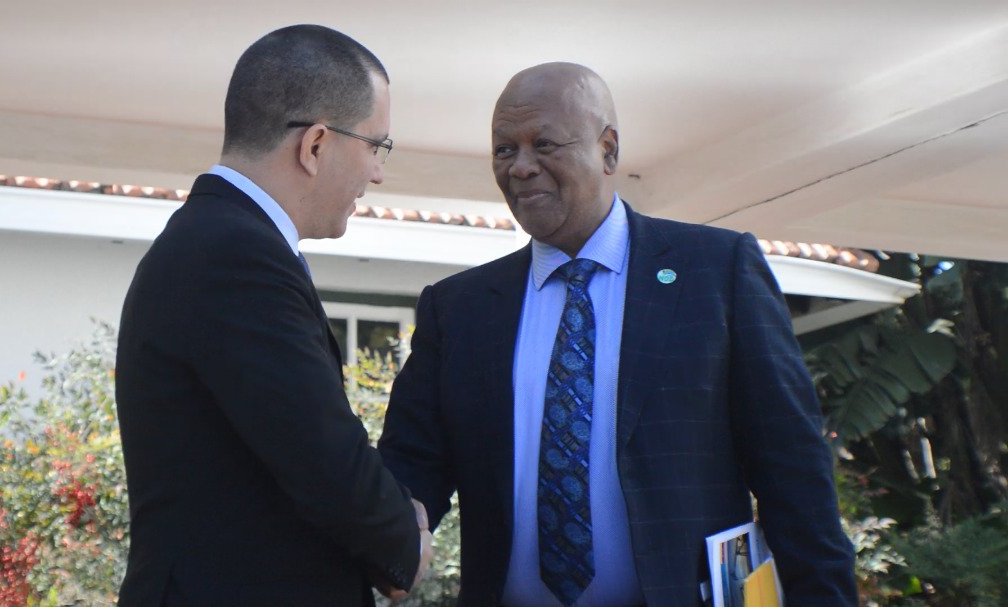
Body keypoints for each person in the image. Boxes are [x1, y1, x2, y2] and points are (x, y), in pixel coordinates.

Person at [378, 62, 857, 606]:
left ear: (607, 150)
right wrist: (387, 538)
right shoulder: (458, 308)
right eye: (504, 149)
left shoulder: (715, 271)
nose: (521, 167)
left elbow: (793, 469)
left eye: (544, 144)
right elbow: (410, 465)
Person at [114, 25, 431, 606]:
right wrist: (403, 541)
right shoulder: (235, 255)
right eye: (376, 146)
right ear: (315, 145)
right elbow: (321, 454)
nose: (378, 173)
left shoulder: (216, 240)